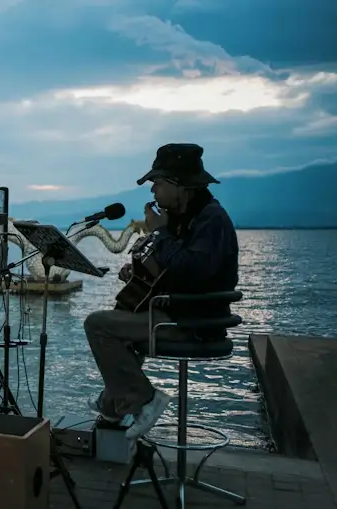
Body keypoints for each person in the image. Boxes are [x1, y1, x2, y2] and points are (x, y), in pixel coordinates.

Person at [84, 143, 240, 440]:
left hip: (192, 323)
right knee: (120, 318)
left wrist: (159, 232)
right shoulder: (186, 219)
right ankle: (113, 406)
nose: (153, 192)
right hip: (178, 313)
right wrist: (141, 273)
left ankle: (144, 399)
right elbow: (177, 272)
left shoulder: (212, 219)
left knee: (98, 325)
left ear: (178, 185)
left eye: (157, 183)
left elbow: (193, 270)